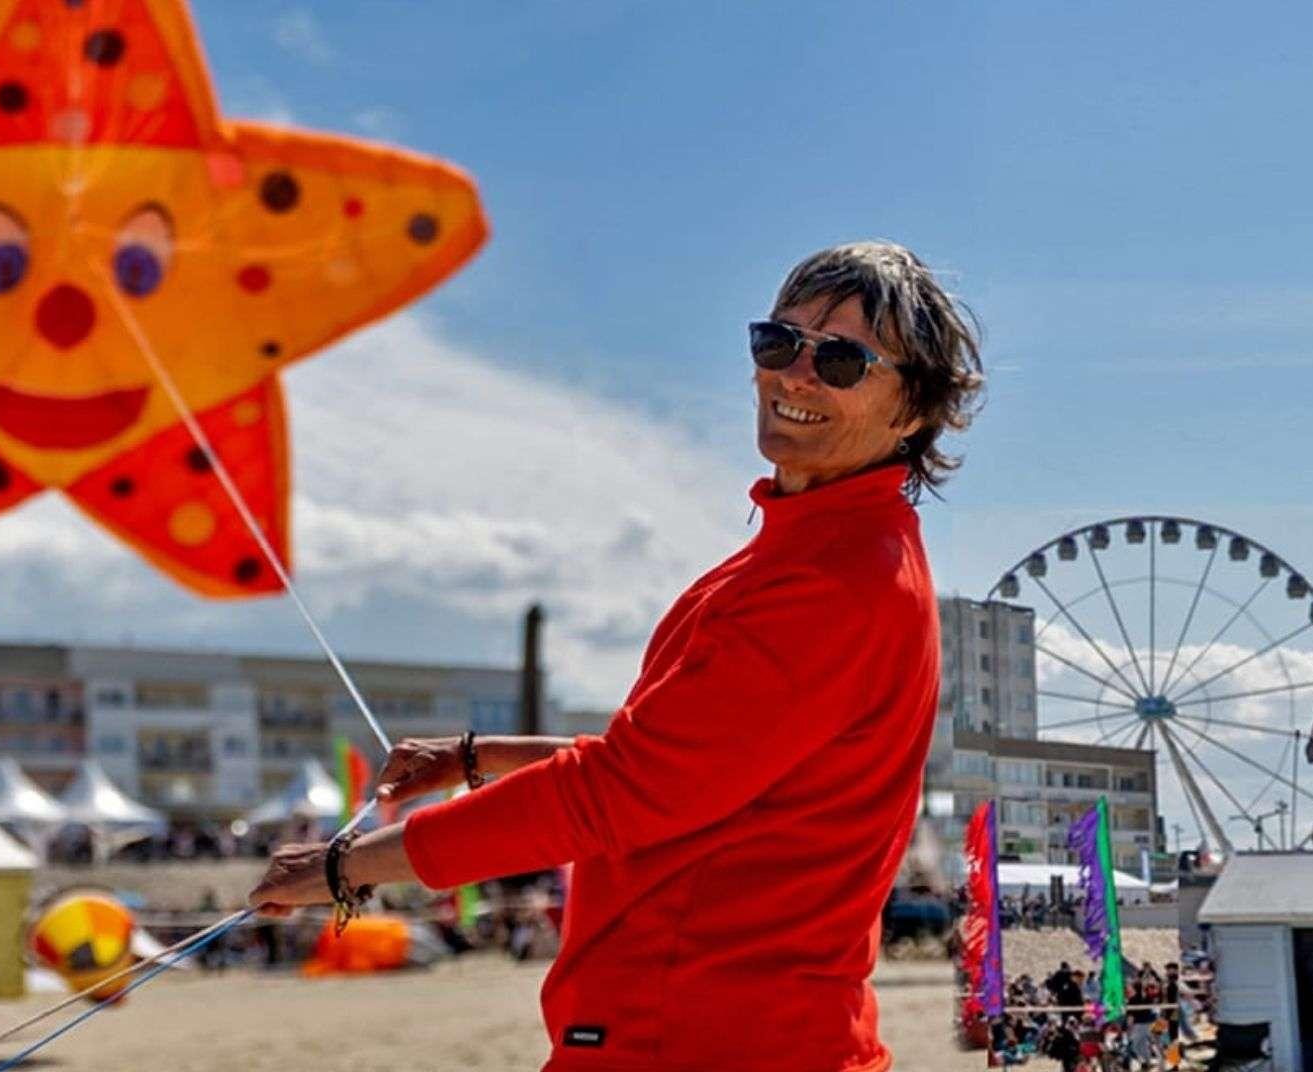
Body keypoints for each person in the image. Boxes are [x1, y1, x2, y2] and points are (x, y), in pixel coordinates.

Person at [248, 242, 985, 1070]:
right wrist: (474, 757)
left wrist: (347, 867)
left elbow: (623, 793)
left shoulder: (837, 578)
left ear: (915, 409)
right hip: (721, 1030)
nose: (796, 375)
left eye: (842, 360)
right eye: (777, 343)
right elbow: (683, 768)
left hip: (701, 1036)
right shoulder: (820, 548)